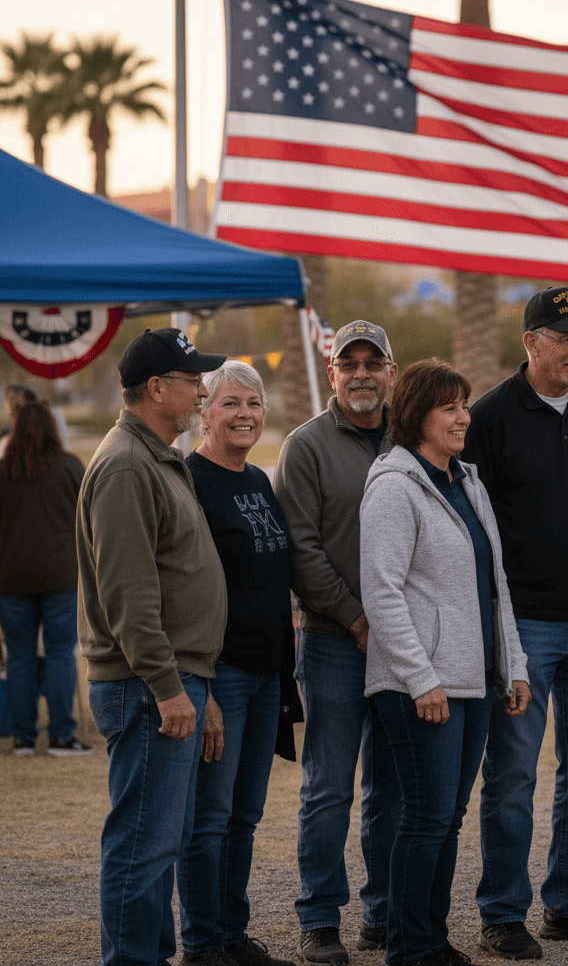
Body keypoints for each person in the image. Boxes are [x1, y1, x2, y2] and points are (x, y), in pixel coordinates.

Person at [462, 287, 568, 958]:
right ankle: (503, 913)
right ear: (531, 342)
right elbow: (470, 523)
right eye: (566, 337)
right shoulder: (490, 417)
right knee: (512, 776)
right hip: (523, 625)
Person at [360, 359, 532, 966]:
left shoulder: (468, 482)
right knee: (426, 817)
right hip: (420, 686)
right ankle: (409, 946)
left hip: (474, 679)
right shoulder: (393, 487)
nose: (464, 417)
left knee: (448, 817)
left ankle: (431, 938)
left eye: (464, 405)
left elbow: (495, 584)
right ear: (417, 416)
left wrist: (514, 666)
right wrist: (420, 678)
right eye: (449, 408)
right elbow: (381, 592)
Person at [77, 327, 228, 966]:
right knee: (142, 843)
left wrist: (193, 683)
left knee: (159, 841)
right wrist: (168, 687)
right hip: (145, 686)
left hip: (168, 680)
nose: (203, 393)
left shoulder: (154, 456)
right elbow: (130, 596)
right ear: (157, 388)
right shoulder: (126, 465)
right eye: (194, 382)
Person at [273, 320, 402, 966]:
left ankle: (384, 915)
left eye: (372, 363)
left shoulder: (413, 438)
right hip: (331, 643)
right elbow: (300, 549)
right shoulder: (305, 447)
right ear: (331, 373)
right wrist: (356, 618)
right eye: (348, 363)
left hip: (403, 647)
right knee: (329, 788)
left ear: (391, 373)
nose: (360, 374)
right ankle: (320, 919)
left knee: (392, 789)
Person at [176, 361, 297, 966]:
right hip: (220, 673)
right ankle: (202, 944)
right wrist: (202, 690)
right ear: (204, 412)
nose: (245, 415)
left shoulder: (258, 480)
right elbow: (180, 588)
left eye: (253, 404)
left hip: (267, 673)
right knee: (209, 817)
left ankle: (231, 935)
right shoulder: (190, 481)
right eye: (230, 404)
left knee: (244, 815)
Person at [0, 401, 89, 756]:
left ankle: (23, 737)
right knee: (60, 654)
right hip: (60, 576)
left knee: (19, 655)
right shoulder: (70, 467)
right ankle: (61, 736)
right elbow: (90, 516)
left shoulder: (3, 470)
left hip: (11, 577)